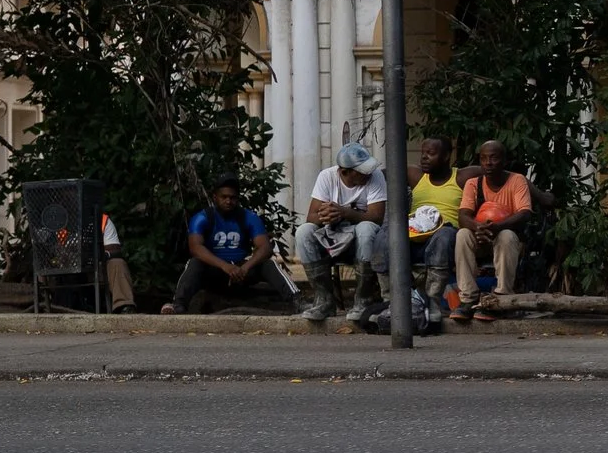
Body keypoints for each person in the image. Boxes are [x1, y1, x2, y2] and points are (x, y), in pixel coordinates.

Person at [164, 175, 281, 314]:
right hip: (216, 271)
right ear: (215, 197)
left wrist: (244, 268)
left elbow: (265, 248)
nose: (228, 201)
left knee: (269, 264)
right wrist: (224, 266)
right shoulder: (202, 218)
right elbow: (195, 248)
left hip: (242, 271)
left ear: (237, 198)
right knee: (194, 263)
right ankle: (178, 305)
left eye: (232, 198)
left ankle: (297, 299)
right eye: (224, 197)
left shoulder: (249, 217)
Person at [301, 140, 389, 324]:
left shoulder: (376, 177)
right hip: (334, 235)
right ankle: (324, 300)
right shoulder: (327, 177)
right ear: (345, 172)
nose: (367, 173)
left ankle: (363, 300)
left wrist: (344, 212)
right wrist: (327, 216)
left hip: (363, 240)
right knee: (304, 232)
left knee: (366, 228)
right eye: (361, 170)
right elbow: (311, 216)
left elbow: (376, 216)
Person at [453, 138, 533, 323]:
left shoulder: (517, 180)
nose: (488, 163)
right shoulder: (473, 183)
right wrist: (478, 227)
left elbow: (525, 213)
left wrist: (498, 227)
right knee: (463, 234)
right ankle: (468, 299)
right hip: (481, 238)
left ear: (504, 160)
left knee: (506, 236)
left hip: (507, 240)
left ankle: (501, 297)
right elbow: (463, 215)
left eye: (494, 158)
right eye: (483, 158)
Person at [404, 137, 463, 313]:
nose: (424, 157)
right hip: (414, 236)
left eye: (430, 153)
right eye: (423, 153)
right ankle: (394, 300)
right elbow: (374, 174)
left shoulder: (460, 176)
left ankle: (433, 301)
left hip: (445, 238)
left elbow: (501, 173)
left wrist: (542, 196)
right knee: (387, 234)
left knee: (443, 236)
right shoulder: (415, 175)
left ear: (446, 156)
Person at [101, 213, 135, 314]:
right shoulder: (57, 220)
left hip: (97, 266)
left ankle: (124, 305)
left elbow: (115, 250)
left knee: (117, 263)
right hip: (66, 269)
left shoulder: (102, 220)